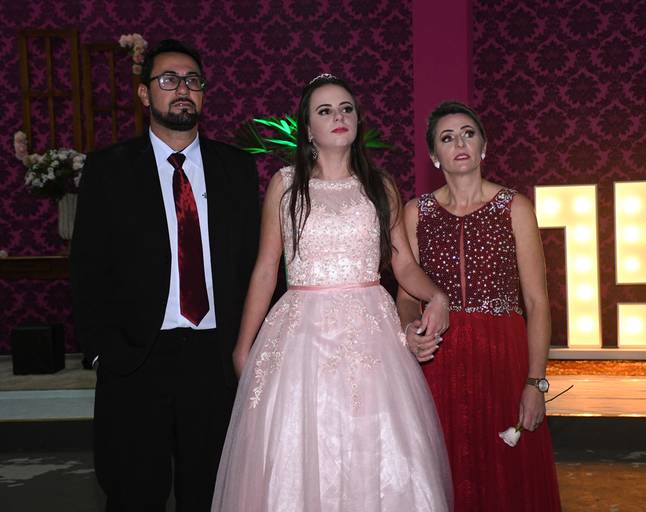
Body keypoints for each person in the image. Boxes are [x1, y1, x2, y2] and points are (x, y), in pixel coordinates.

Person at [211, 74, 452, 511]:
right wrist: (243, 346)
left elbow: (403, 265)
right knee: (299, 448)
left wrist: (437, 296)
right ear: (308, 128)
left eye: (346, 108)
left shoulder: (381, 186)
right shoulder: (286, 185)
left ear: (358, 119)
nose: (338, 116)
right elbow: (266, 269)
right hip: (300, 336)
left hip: (371, 335)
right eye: (325, 111)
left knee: (375, 447)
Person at [70, 39, 262, 511]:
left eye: (193, 81)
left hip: (215, 358)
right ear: (144, 94)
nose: (183, 89)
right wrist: (102, 352)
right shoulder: (108, 169)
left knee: (213, 492)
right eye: (169, 80)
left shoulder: (237, 168)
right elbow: (88, 267)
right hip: (137, 357)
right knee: (134, 492)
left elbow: (256, 263)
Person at [397, 101, 562, 511]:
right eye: (447, 137)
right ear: (434, 155)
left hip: (503, 358)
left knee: (507, 476)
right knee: (445, 471)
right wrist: (410, 330)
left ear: (483, 146)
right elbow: (406, 297)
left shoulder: (515, 207)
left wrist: (535, 383)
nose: (460, 143)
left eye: (468, 133)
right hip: (439, 360)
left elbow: (537, 302)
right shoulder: (416, 213)